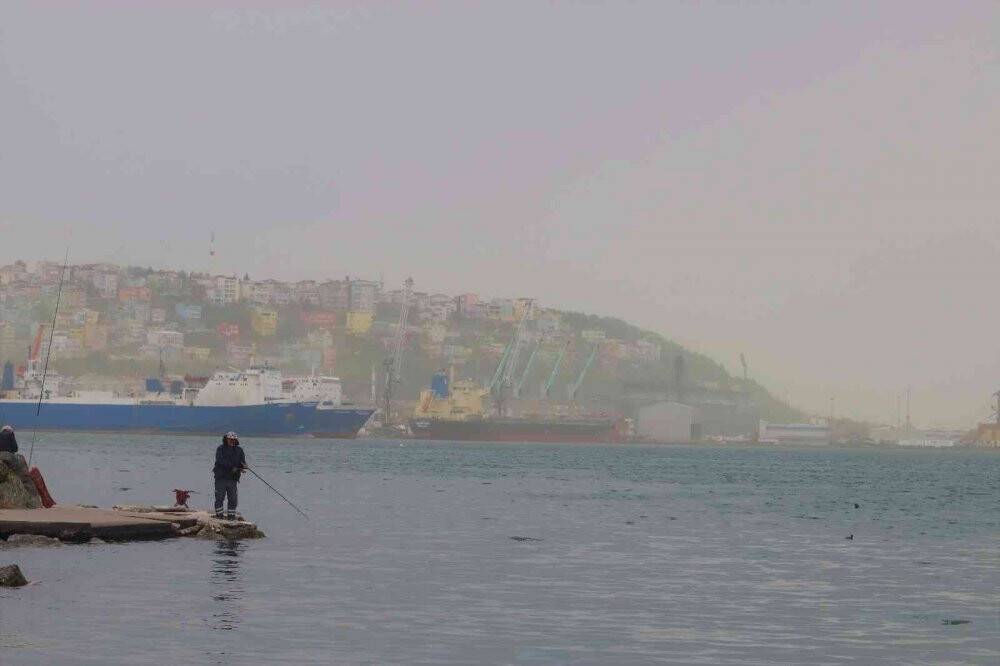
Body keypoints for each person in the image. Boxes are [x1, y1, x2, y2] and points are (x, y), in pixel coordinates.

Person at [213, 431, 246, 519]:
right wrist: (233, 467)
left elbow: (242, 462)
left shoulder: (240, 450)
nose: (232, 441)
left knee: (233, 499)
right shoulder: (220, 449)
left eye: (234, 439)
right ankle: (219, 516)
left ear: (236, 440)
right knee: (219, 497)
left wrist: (243, 467)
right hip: (221, 478)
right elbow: (220, 461)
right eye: (230, 439)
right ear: (226, 439)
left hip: (233, 479)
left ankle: (231, 517)